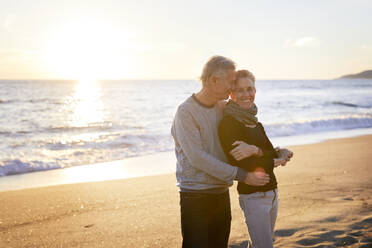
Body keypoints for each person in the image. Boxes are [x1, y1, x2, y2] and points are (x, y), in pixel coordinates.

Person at [171, 56, 271, 248]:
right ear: (213, 80)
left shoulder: (223, 107)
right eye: (231, 82)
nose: (233, 88)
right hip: (195, 196)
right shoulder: (186, 112)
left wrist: (267, 152)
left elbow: (249, 117)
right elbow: (198, 158)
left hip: (221, 191)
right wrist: (243, 175)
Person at [218, 69, 293, 248]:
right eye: (240, 90)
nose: (246, 94)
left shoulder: (255, 123)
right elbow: (242, 162)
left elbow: (266, 152)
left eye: (250, 89)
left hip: (272, 192)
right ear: (231, 94)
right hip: (253, 196)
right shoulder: (228, 124)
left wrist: (270, 152)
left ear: (255, 91)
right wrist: (273, 160)